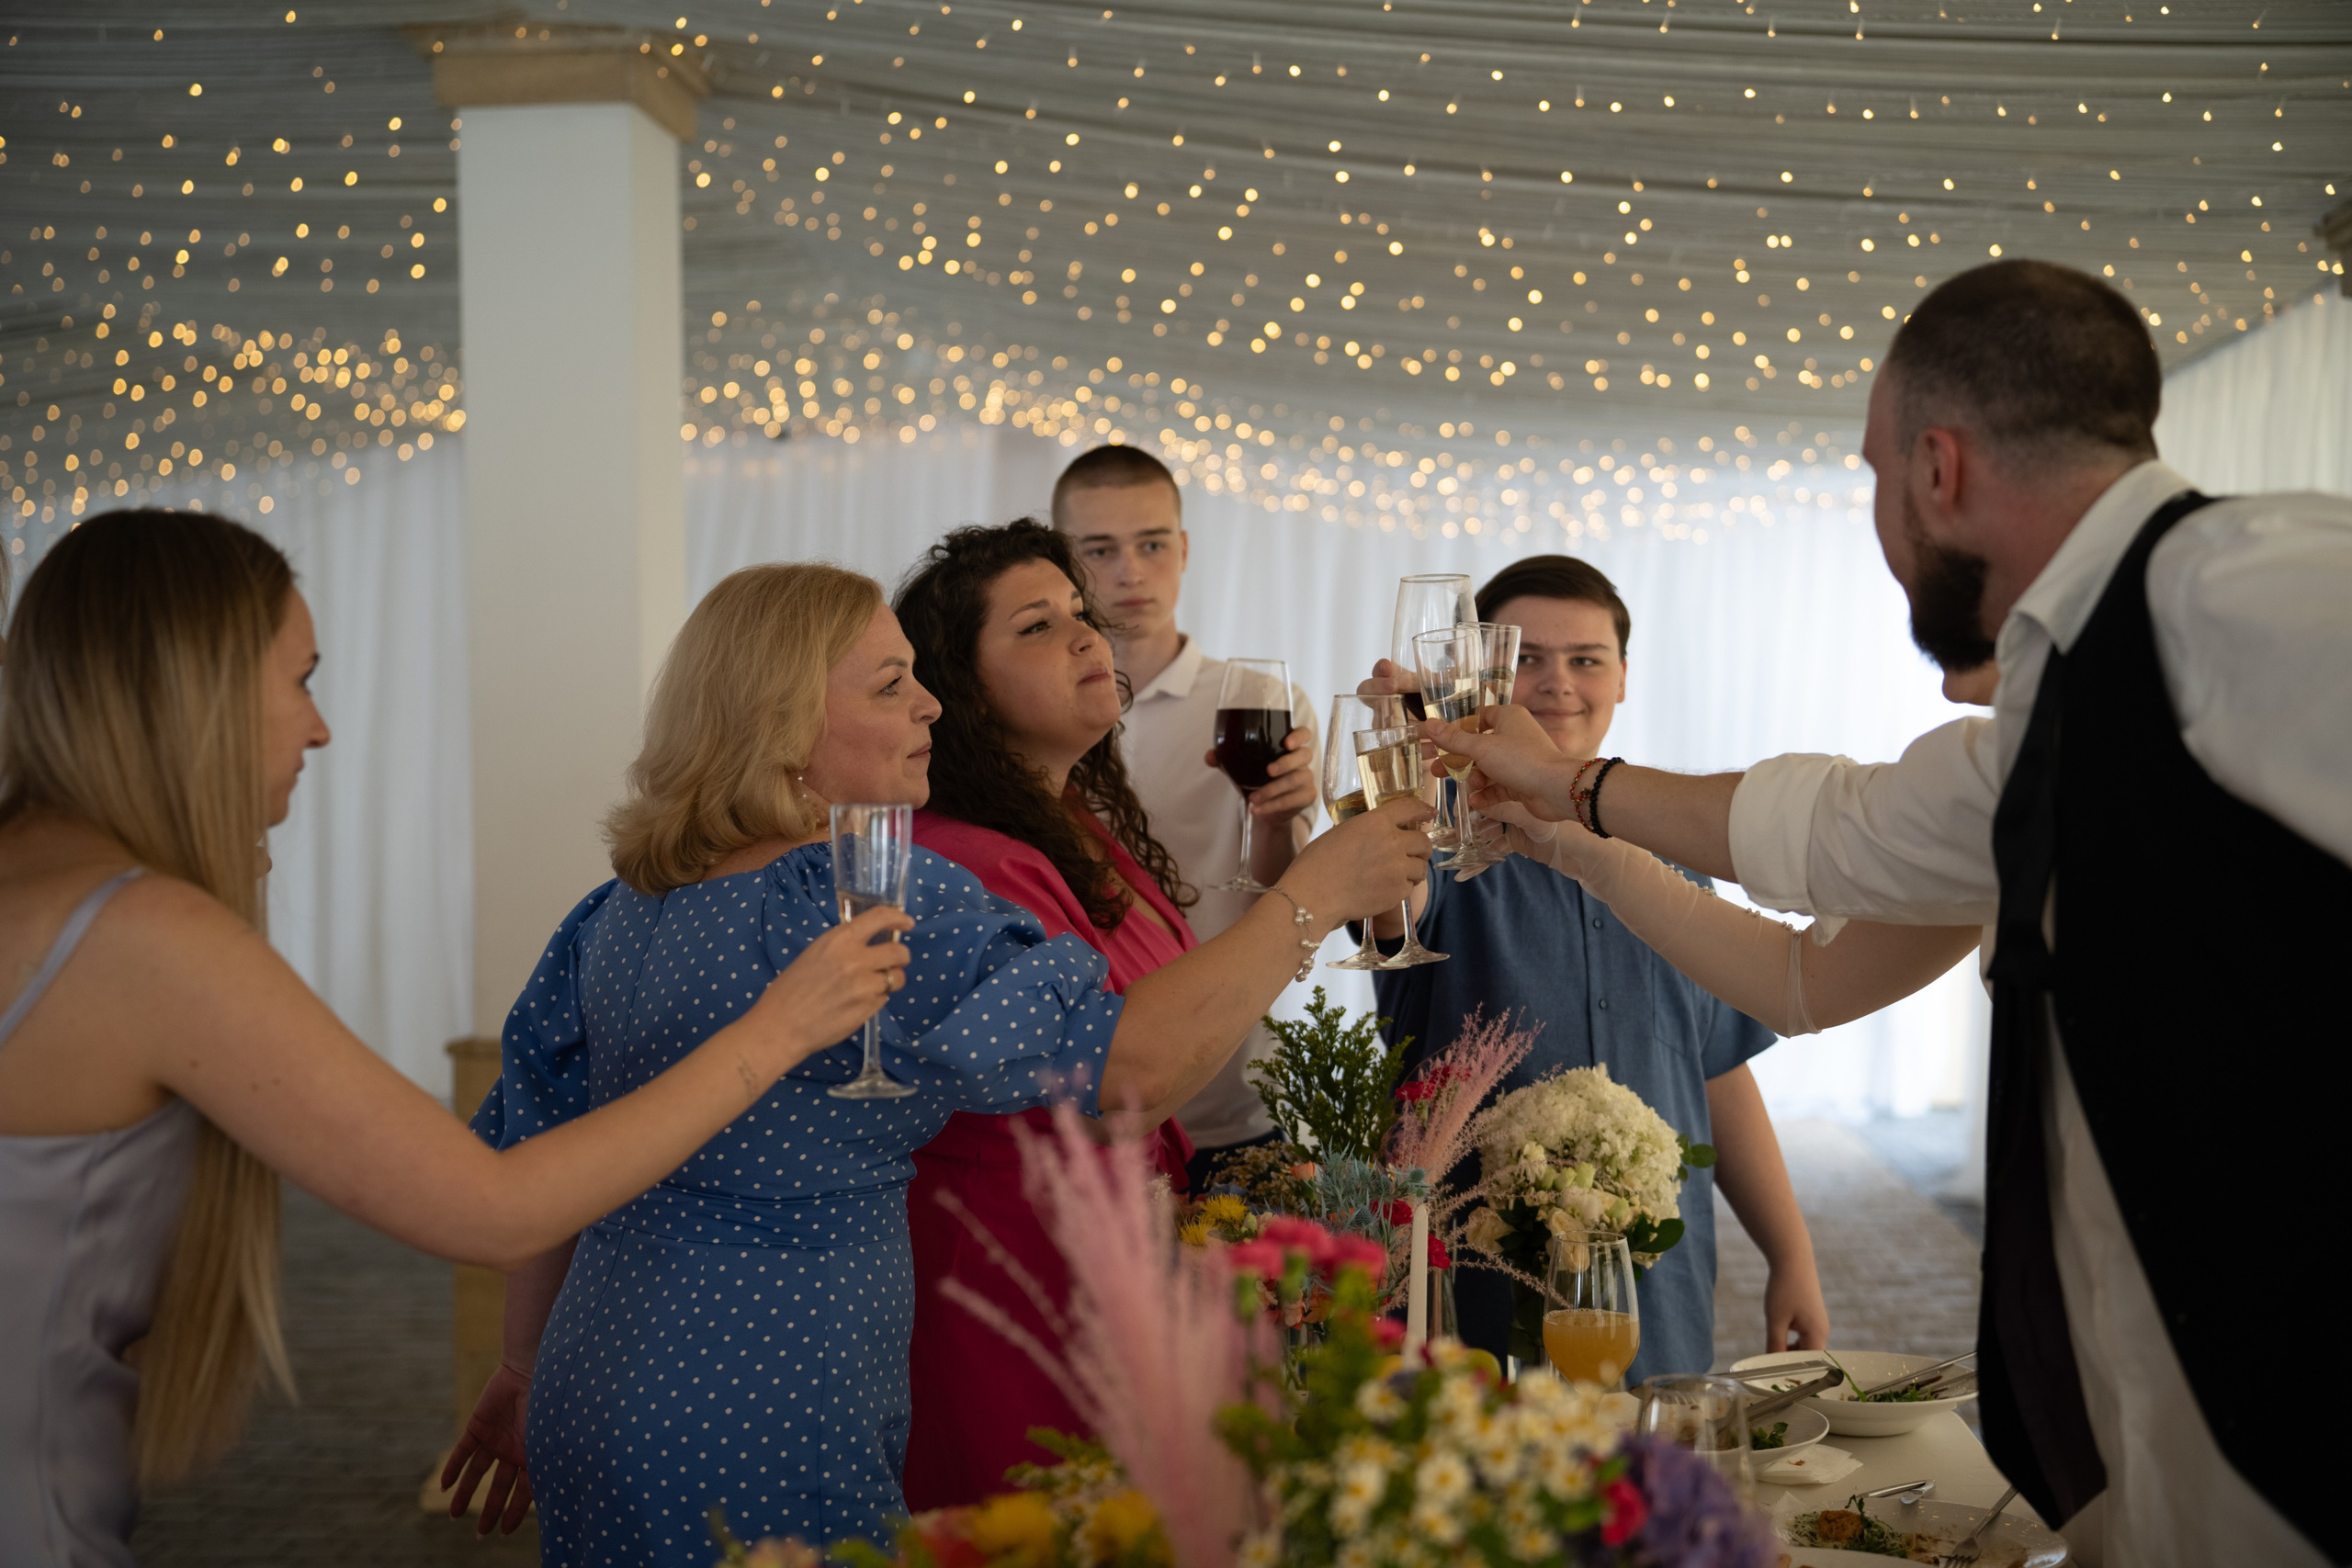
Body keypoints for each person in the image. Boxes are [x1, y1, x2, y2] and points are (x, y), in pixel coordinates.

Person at [1431, 259, 2350, 1566]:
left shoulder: (2236, 584)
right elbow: (1808, 944)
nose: (1878, 518)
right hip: (2158, 1404)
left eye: (1870, 476)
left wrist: (1577, 791)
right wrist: (1570, 822)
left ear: (1937, 468)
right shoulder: (2050, 730)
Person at [447, 562, 1430, 1564]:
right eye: (888, 686)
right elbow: (1130, 1069)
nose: (928, 704)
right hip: (774, 1391)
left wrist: (522, 1371)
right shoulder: (856, 897)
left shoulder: (614, 911)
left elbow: (542, 1154)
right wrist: (1309, 894)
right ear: (779, 727)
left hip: (591, 1380)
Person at [0, 512, 910, 1568]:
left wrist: (526, 1363)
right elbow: (491, 1206)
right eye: (299, 680)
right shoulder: (140, 934)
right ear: (189, 691)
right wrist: (780, 1028)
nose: (320, 728)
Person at [1357, 556, 1826, 1382]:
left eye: (1585, 660)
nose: (1556, 684)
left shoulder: (1677, 854)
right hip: (1471, 1299)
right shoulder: (1430, 841)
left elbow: (1717, 1068)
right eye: (1525, 659)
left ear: (1623, 677)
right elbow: (1377, 914)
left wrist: (1791, 1253)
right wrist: (1396, 778)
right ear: (1474, 678)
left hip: (1654, 1290)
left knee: (1650, 1495)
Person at [893, 520, 1203, 1507]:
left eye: (1079, 613)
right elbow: (1115, 1069)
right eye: (1036, 625)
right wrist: (1307, 900)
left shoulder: (1069, 825)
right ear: (962, 690)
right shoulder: (970, 860)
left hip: (1093, 1247)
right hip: (1008, 1265)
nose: (1086, 636)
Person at [1052, 446, 1319, 1189]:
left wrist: (1279, 819)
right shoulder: (1031, 711)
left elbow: (1286, 903)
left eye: (1152, 544)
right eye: (1100, 550)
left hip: (1230, 1094)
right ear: (1063, 563)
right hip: (1080, 1099)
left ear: (1185, 549)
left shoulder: (1260, 701)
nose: (1131, 571)